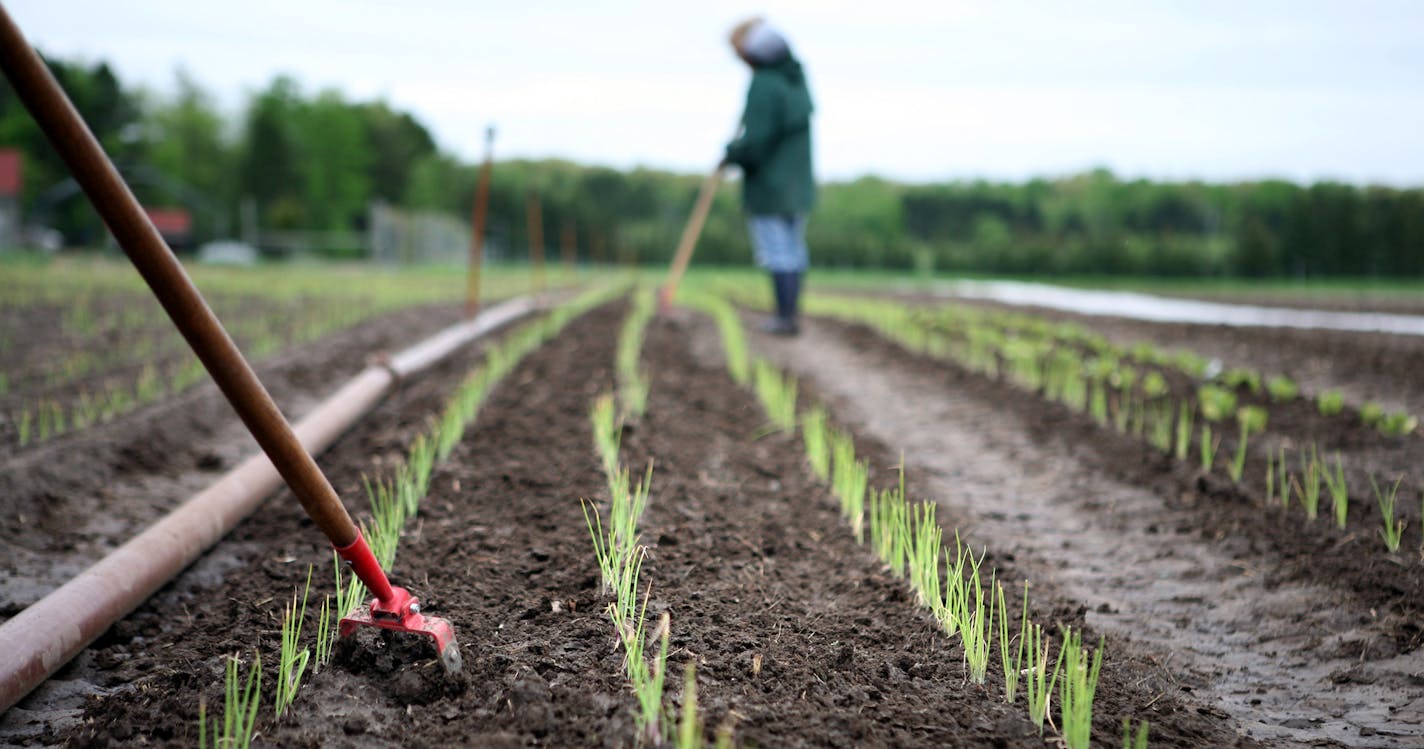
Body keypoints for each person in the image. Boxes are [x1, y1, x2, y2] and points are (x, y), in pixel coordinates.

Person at [722, 17, 815, 336]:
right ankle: (789, 316)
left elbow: (757, 143)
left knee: (777, 252)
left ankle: (784, 318)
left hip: (770, 187)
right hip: (798, 185)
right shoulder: (796, 79)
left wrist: (732, 154)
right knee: (793, 251)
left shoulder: (763, 85)